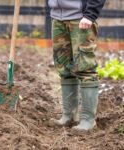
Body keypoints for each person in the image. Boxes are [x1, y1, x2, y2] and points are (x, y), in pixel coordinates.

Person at [48, 0, 106, 131]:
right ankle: (69, 115)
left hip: (81, 19)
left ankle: (87, 119)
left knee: (85, 67)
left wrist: (90, 15)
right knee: (64, 68)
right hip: (57, 18)